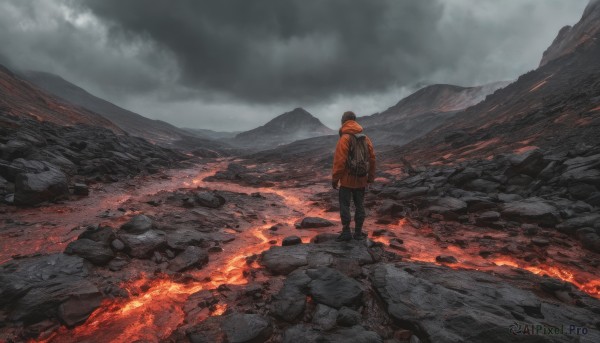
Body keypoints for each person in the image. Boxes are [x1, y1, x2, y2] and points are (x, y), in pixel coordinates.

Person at [332, 111, 376, 241]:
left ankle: (346, 232)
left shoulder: (344, 138)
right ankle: (358, 233)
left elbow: (340, 162)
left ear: (343, 121)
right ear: (355, 120)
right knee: (360, 205)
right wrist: (370, 178)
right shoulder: (365, 138)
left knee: (345, 205)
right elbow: (372, 159)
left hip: (346, 181)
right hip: (361, 179)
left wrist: (335, 179)